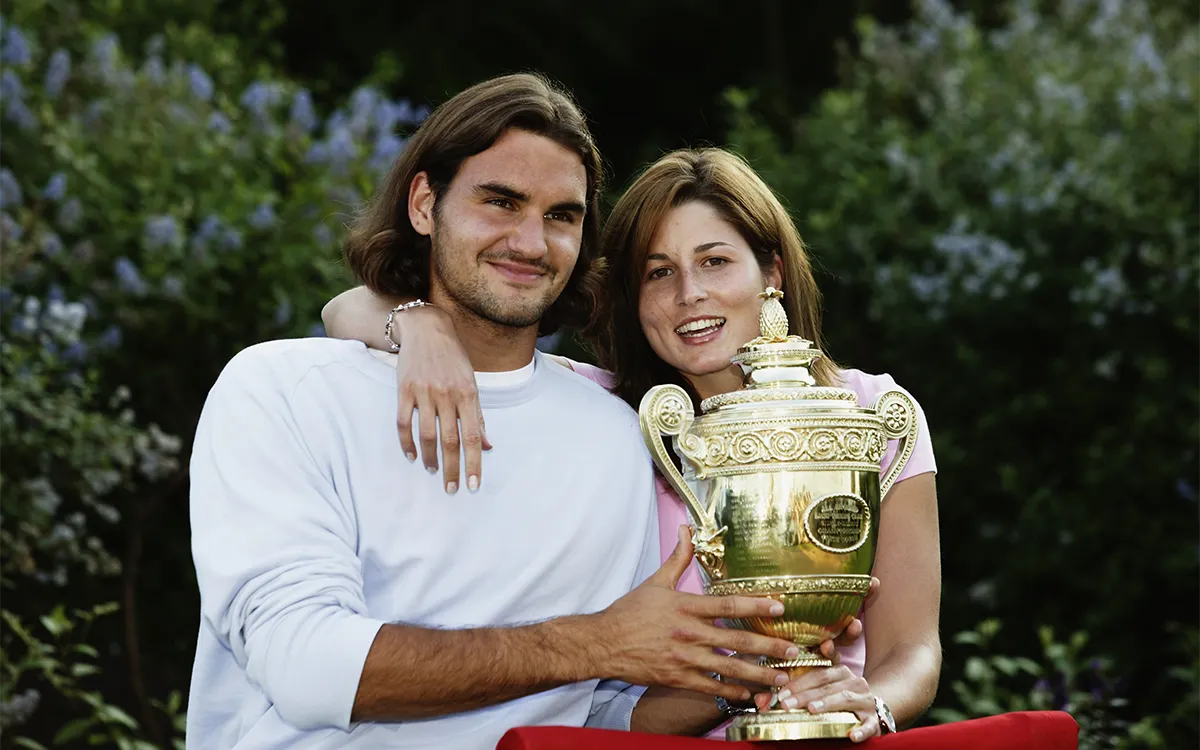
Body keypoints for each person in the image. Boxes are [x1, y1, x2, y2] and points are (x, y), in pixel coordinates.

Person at [186, 74, 819, 750]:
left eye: (561, 216)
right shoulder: (283, 390)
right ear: (425, 204)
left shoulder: (615, 434)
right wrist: (597, 643)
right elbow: (308, 668)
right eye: (500, 201)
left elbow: (601, 715)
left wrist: (760, 667)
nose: (530, 241)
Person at [322, 147, 943, 742]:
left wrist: (870, 703)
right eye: (658, 273)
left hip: (838, 738)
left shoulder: (873, 415)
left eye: (715, 261)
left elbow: (911, 650)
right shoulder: (604, 414)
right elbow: (343, 310)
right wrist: (420, 324)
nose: (689, 294)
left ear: (772, 272)